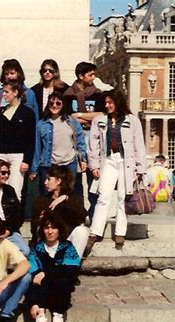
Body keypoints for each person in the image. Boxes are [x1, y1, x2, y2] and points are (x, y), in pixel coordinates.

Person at [85, 89, 146, 255]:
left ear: (118, 102)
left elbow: (139, 145)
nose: (107, 105)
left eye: (110, 102)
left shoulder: (132, 121)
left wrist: (140, 168)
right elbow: (93, 145)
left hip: (126, 161)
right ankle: (95, 232)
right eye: (106, 102)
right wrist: (94, 166)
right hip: (108, 160)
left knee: (122, 197)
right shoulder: (99, 120)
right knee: (103, 196)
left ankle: (120, 232)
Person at [27, 212, 81, 322]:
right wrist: (41, 275)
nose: (50, 232)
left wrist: (47, 273)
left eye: (53, 228)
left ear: (59, 230)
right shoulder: (37, 247)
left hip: (60, 287)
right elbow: (32, 267)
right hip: (41, 287)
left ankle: (58, 314)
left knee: (61, 281)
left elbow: (71, 269)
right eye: (47, 228)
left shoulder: (67, 247)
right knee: (35, 281)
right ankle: (40, 313)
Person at [63, 62, 105, 216]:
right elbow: (67, 118)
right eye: (90, 74)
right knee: (75, 179)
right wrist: (90, 118)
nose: (94, 77)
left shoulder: (98, 94)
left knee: (93, 176)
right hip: (74, 141)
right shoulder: (68, 95)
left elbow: (101, 115)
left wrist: (79, 116)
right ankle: (78, 212)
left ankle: (94, 212)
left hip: (93, 139)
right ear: (81, 76)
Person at [30, 92, 87, 195]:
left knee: (68, 194)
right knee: (48, 195)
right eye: (51, 103)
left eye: (58, 103)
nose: (54, 106)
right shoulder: (41, 124)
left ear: (63, 105)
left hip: (69, 164)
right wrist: (34, 169)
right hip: (49, 164)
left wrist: (83, 159)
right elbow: (37, 148)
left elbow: (80, 142)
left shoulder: (72, 122)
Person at [0, 80, 36, 200]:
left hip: (17, 156)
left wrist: (27, 160)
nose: (4, 94)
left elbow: (30, 139)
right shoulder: (0, 112)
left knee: (15, 190)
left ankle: (13, 218)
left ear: (15, 92)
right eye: (3, 91)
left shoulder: (27, 113)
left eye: (6, 92)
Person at [31, 165, 89, 258]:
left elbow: (82, 216)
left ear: (58, 181)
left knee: (82, 231)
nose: (45, 182)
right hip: (49, 244)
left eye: (49, 179)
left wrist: (66, 199)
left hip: (66, 243)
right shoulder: (41, 201)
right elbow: (34, 229)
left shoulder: (74, 199)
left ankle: (71, 264)